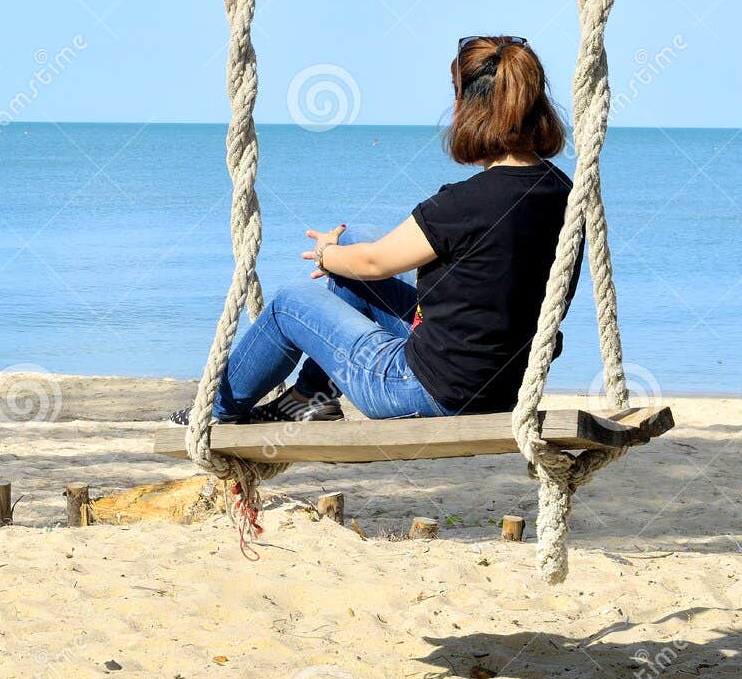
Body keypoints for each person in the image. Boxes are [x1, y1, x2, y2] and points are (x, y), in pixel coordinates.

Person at [173, 35, 580, 425]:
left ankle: (214, 412)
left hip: (426, 390)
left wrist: (326, 254)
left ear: (470, 109)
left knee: (288, 303)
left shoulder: (463, 203)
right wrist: (345, 253)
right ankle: (310, 396)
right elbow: (370, 255)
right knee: (358, 236)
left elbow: (373, 264)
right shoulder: (564, 192)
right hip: (507, 383)